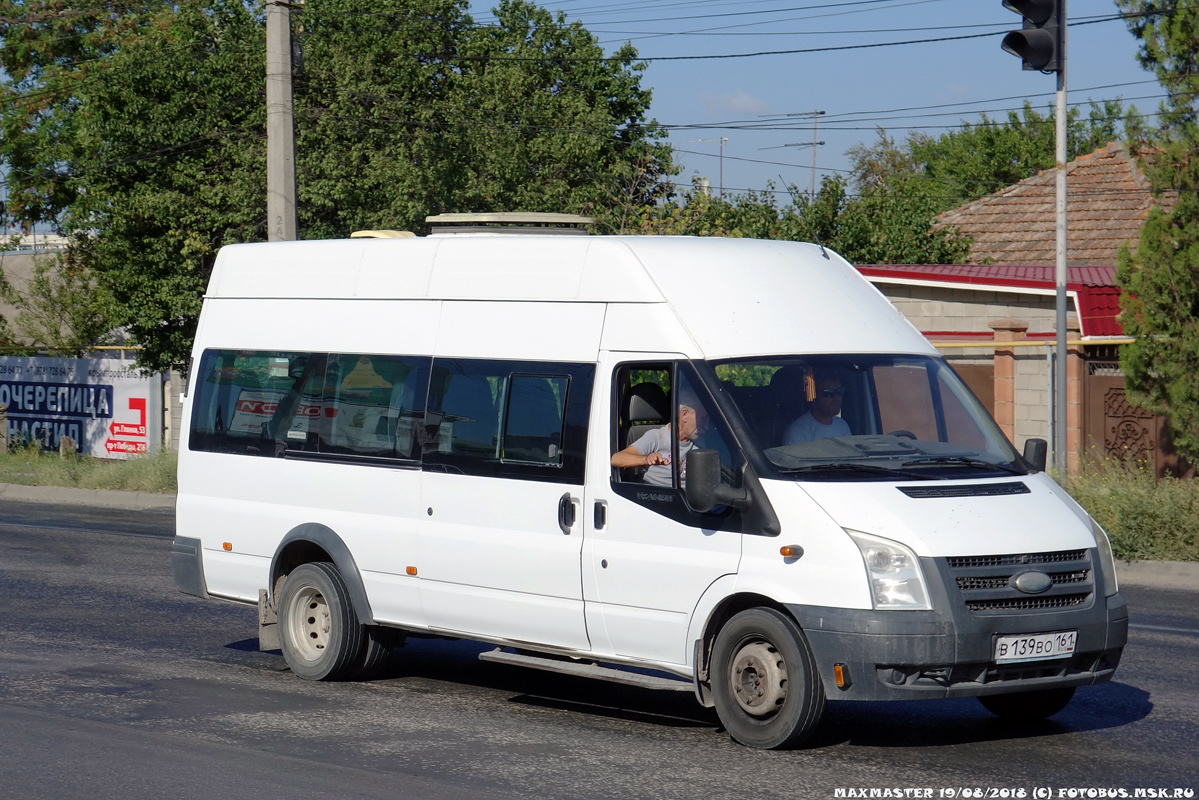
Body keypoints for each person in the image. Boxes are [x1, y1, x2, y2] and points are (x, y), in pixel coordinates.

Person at [611, 390, 707, 487]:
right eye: (702, 419)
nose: (706, 426)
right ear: (684, 415)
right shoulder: (656, 437)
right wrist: (646, 459)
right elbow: (616, 459)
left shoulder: (701, 441)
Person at [783, 370, 851, 444]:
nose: (836, 398)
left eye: (839, 391)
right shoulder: (798, 431)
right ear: (814, 397)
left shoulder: (842, 425)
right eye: (828, 393)